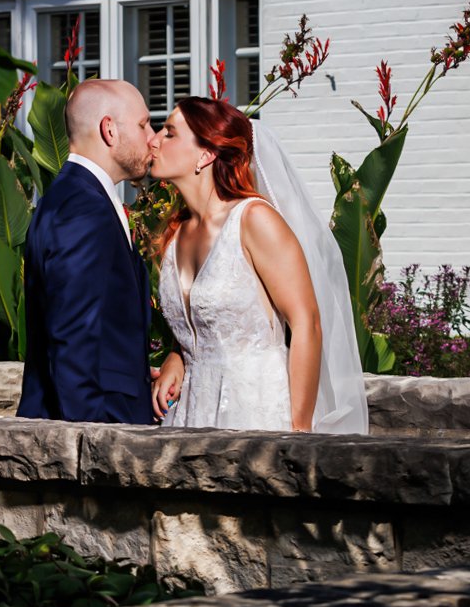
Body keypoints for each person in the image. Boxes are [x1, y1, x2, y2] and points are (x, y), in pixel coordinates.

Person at [148, 97, 367, 434]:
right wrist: (178, 356)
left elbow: (306, 322)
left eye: (169, 133)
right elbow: (199, 329)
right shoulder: (176, 233)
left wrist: (298, 428)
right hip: (190, 415)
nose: (153, 140)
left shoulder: (254, 220)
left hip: (257, 414)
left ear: (205, 155)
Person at [18, 79, 162, 424]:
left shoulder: (73, 196)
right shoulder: (84, 209)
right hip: (96, 429)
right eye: (143, 124)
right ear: (109, 130)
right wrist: (94, 444)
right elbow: (73, 339)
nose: (153, 136)